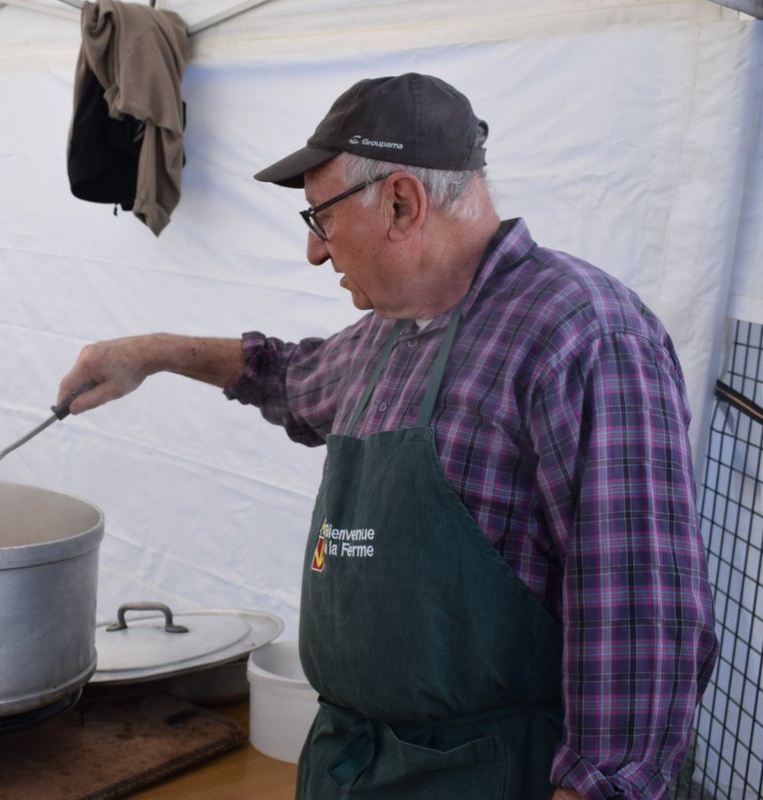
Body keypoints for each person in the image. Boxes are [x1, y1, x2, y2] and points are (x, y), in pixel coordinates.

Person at [57, 73, 718, 800]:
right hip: (351, 764)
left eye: (320, 219)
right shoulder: (390, 334)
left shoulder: (583, 336)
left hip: (485, 776)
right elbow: (288, 377)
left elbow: (641, 630)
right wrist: (150, 354)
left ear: (402, 202)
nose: (315, 252)